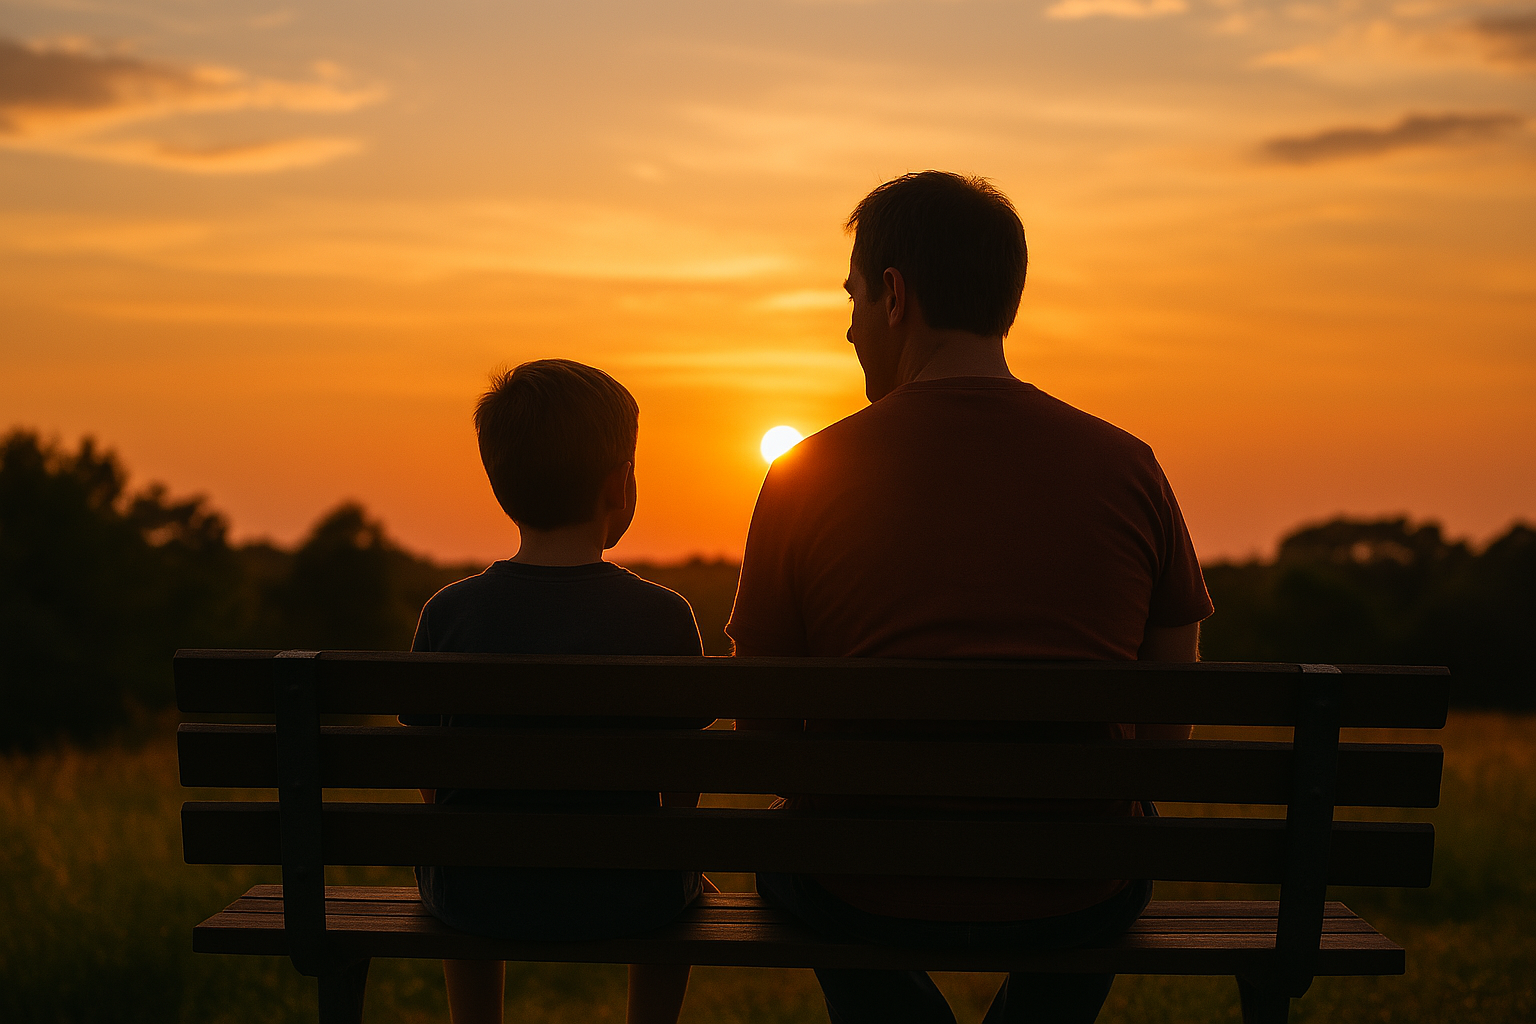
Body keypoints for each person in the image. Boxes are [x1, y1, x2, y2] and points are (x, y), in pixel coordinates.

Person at [726, 171, 1214, 1024]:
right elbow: (1166, 722)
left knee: (791, 843)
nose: (845, 329)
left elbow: (765, 732)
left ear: (892, 294)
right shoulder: (1128, 466)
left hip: (860, 890)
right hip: (1075, 893)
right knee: (1121, 835)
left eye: (849, 298)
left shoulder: (805, 476)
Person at [408, 358, 712, 1024]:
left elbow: (432, 776)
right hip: (630, 896)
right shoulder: (665, 617)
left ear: (502, 485)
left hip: (475, 895)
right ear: (619, 485)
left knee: (462, 849)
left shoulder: (448, 614)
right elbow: (683, 786)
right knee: (684, 871)